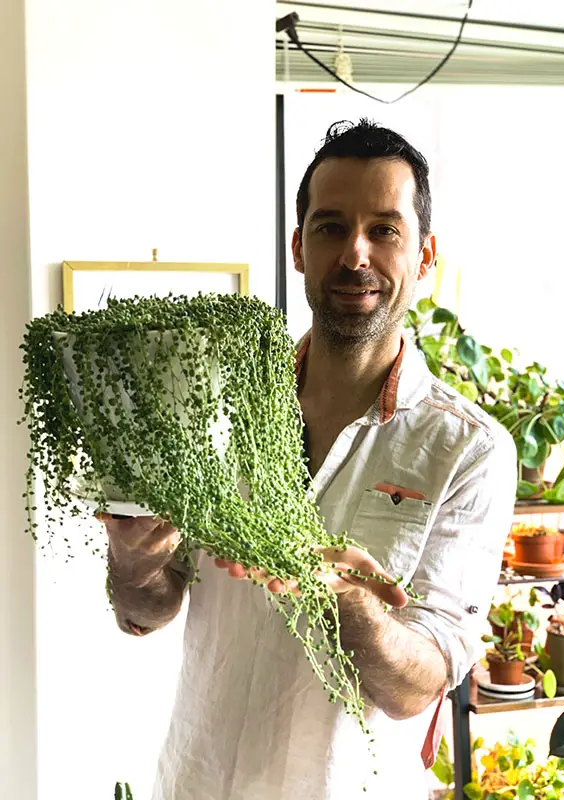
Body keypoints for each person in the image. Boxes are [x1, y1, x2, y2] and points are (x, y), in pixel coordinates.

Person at [101, 119, 516, 799]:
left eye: (384, 229)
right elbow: (146, 606)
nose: (355, 253)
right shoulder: (216, 410)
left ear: (424, 255)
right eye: (330, 227)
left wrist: (351, 604)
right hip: (196, 780)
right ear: (298, 247)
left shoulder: (467, 451)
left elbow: (419, 686)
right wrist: (133, 557)